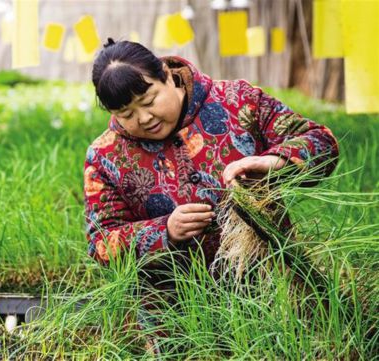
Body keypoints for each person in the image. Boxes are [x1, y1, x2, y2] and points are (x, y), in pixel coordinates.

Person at [83, 38, 339, 355]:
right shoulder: (105, 155)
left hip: (274, 294)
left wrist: (273, 162)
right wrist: (164, 231)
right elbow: (101, 243)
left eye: (149, 101)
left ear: (166, 73)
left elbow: (321, 142)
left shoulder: (238, 101)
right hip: (176, 320)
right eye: (126, 113)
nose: (144, 118)